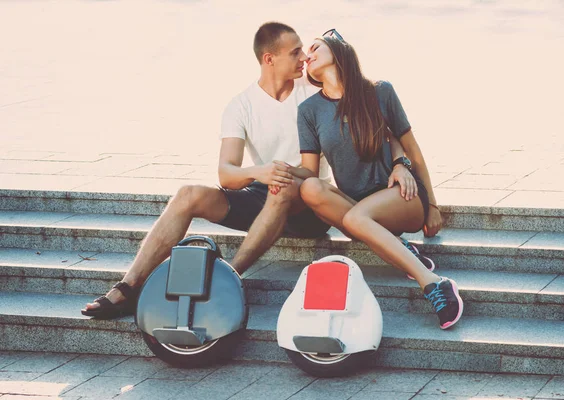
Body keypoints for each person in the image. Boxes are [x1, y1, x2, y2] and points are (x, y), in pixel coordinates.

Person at [81, 22, 332, 318]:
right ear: (269, 59)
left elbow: (349, 76)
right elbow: (226, 173)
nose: (303, 57)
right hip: (263, 194)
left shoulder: (312, 91)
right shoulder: (240, 105)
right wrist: (259, 172)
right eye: (295, 52)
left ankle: (228, 279)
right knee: (188, 195)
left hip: (308, 206)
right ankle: (128, 287)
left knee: (282, 186)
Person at [295, 29, 463, 329]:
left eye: (315, 46)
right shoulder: (308, 110)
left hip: (401, 195)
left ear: (338, 50)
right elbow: (308, 171)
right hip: (357, 208)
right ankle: (402, 250)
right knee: (310, 187)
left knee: (357, 219)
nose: (308, 54)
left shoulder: (379, 91)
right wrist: (271, 176)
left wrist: (432, 204)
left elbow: (413, 149)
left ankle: (434, 283)